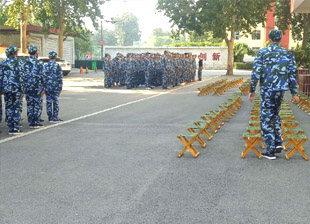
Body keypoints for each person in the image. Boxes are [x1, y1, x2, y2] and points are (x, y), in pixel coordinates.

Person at [249, 29, 300, 160]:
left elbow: (256, 72)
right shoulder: (288, 54)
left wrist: (252, 90)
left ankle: (270, 151)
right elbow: (292, 74)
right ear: (280, 39)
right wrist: (294, 92)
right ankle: (277, 143)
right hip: (280, 90)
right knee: (275, 116)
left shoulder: (263, 53)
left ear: (269, 39)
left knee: (266, 118)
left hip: (267, 90)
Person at [0, 46, 24, 135]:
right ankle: (15, 128)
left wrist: (1, 88)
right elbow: (21, 77)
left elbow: (1, 76)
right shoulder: (19, 62)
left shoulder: (3, 63)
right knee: (16, 108)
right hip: (16, 88)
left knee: (9, 107)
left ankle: (10, 127)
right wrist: (22, 90)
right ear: (14, 52)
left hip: (6, 89)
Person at [23, 45, 45, 128]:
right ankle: (35, 122)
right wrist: (44, 87)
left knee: (29, 104)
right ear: (36, 52)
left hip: (27, 86)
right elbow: (43, 76)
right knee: (36, 104)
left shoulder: (24, 62)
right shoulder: (39, 63)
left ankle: (30, 121)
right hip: (37, 87)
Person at [43, 51, 63, 123]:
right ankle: (55, 117)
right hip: (55, 86)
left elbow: (43, 77)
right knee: (55, 102)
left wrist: (43, 87)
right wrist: (60, 88)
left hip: (47, 86)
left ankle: (50, 117)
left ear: (49, 57)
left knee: (48, 102)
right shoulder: (57, 66)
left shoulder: (45, 66)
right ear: (55, 57)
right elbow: (60, 77)